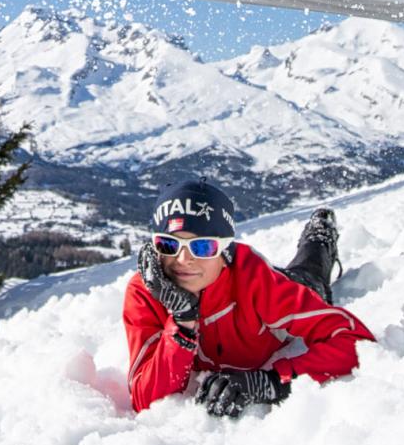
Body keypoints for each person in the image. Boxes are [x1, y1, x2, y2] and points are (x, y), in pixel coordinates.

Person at [123, 178, 375, 416]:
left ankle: (320, 233)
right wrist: (182, 324)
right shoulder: (145, 293)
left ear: (225, 251)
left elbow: (357, 342)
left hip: (284, 284)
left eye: (202, 246)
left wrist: (271, 382)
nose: (183, 259)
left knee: (310, 276)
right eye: (169, 244)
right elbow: (146, 402)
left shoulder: (256, 283)